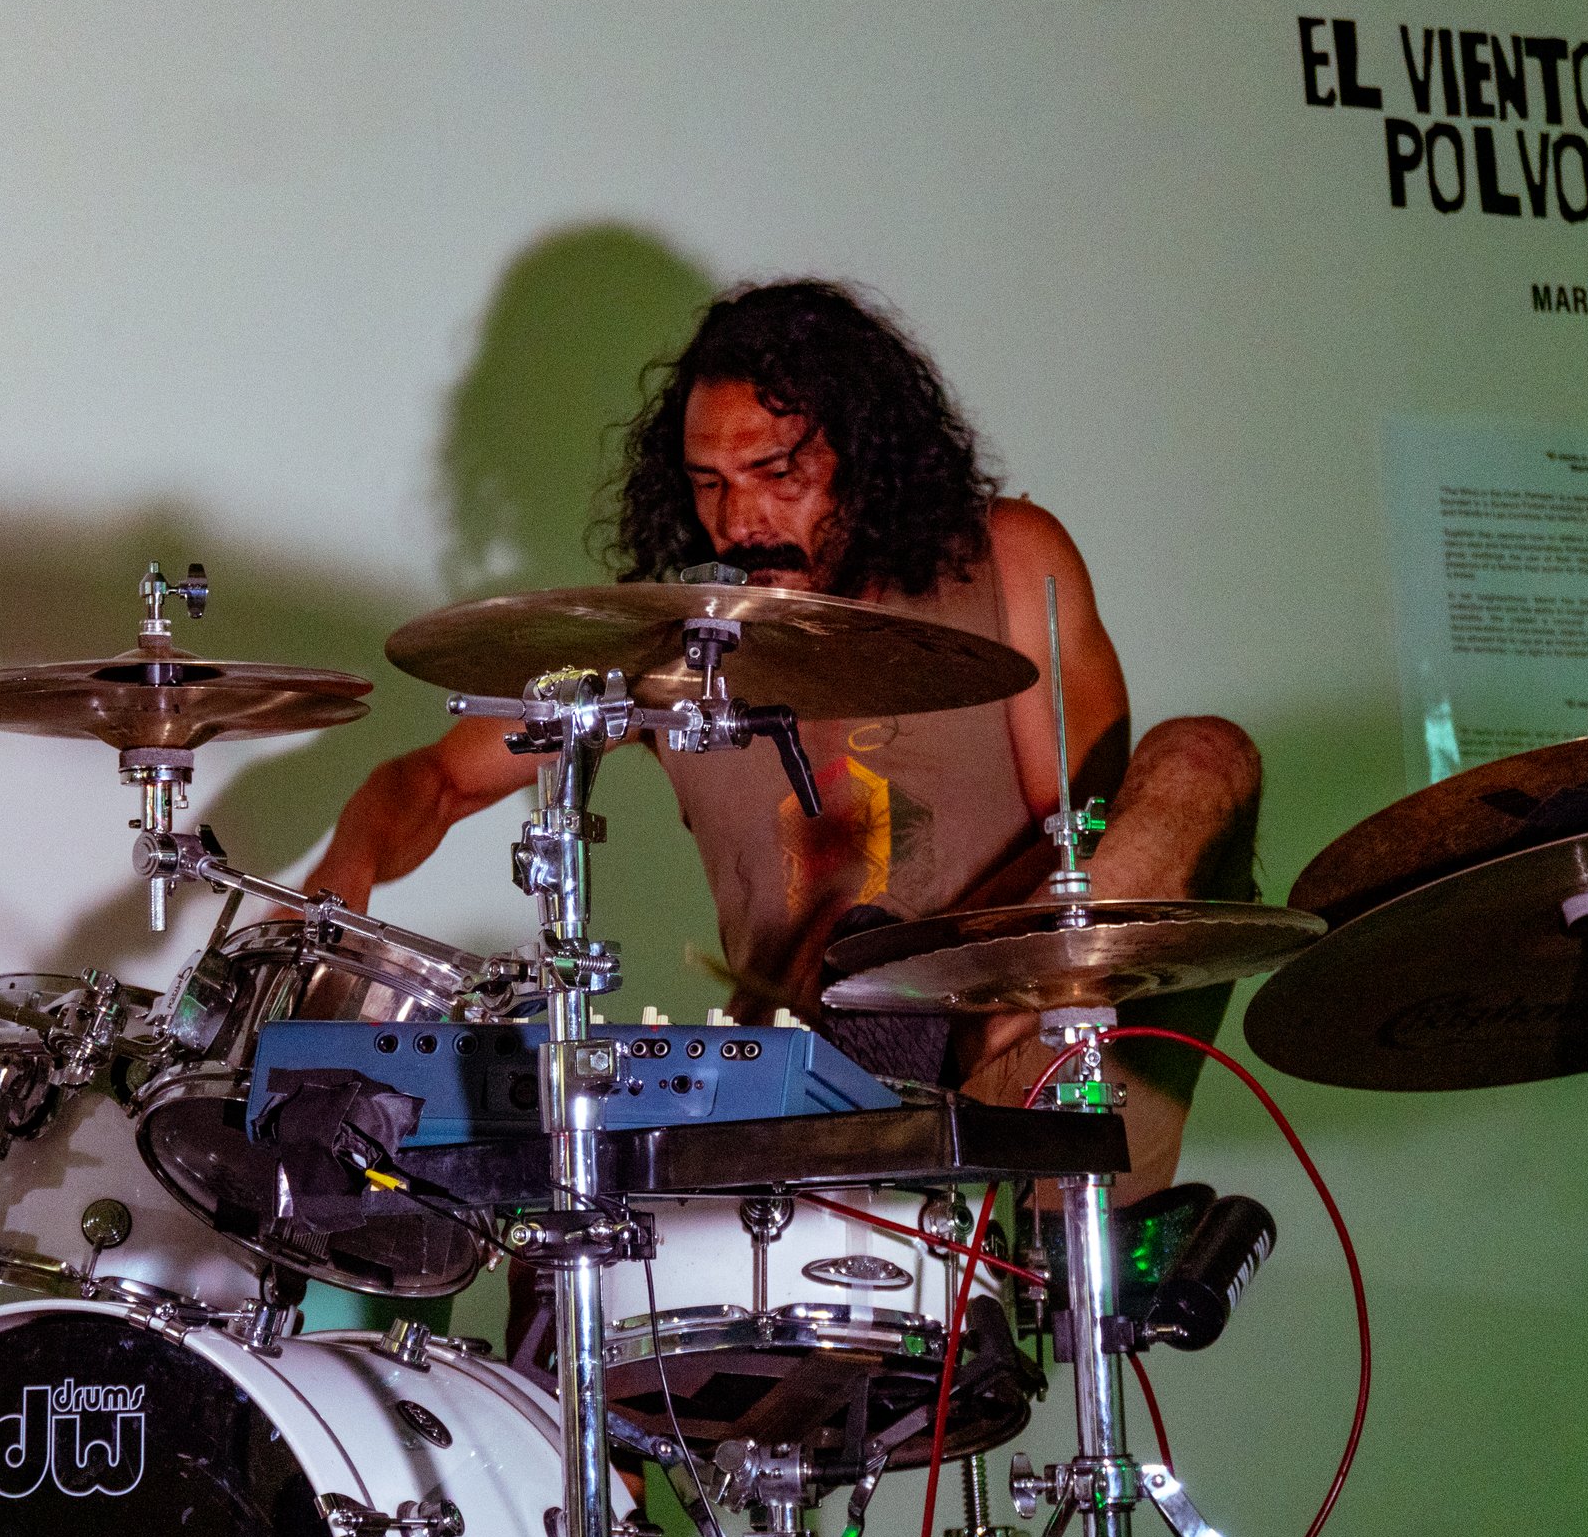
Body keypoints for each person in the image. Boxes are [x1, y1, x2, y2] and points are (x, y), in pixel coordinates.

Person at [305, 280, 1261, 1200]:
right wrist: (333, 893)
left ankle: (957, 1063)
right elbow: (437, 782)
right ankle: (884, 1080)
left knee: (1203, 758)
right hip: (802, 1117)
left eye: (777, 474)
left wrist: (934, 985)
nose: (740, 520)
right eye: (710, 484)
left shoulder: (1008, 557)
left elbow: (1092, 840)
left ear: (866, 455)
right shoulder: (674, 646)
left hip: (1032, 1060)